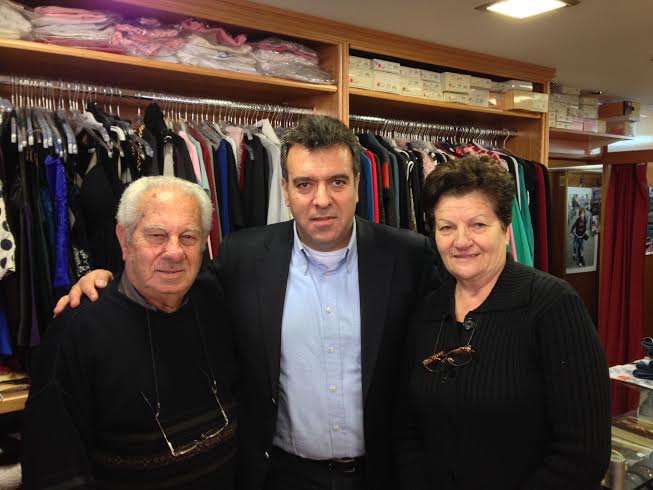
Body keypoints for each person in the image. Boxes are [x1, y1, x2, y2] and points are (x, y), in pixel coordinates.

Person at [53, 115, 441, 490]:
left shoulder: (410, 257)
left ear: (358, 184)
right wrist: (108, 281)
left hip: (382, 474)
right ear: (285, 190)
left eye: (337, 182)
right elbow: (169, 281)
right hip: (281, 475)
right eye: (304, 184)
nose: (321, 199)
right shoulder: (243, 257)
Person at [394, 155, 611, 490]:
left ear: (506, 230)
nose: (461, 241)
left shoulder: (552, 306)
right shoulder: (426, 311)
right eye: (447, 227)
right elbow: (408, 430)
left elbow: (583, 453)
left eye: (478, 225)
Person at [24, 177, 237, 489]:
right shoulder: (79, 328)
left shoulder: (217, 298)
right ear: (124, 240)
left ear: (204, 242)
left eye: (188, 236)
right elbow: (53, 466)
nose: (174, 251)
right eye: (156, 235)